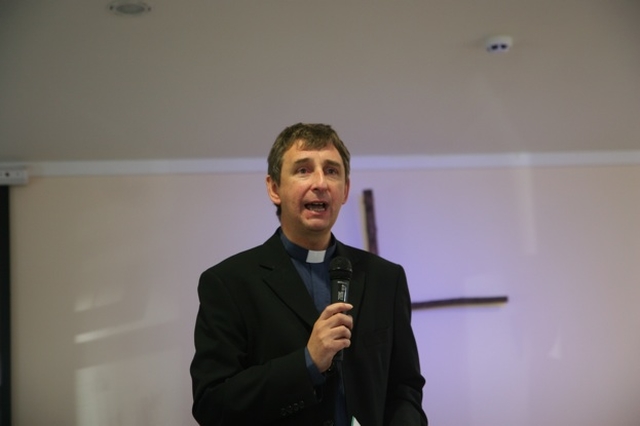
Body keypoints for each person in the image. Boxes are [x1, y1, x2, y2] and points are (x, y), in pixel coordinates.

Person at [190, 123, 427, 425]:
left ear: (345, 190)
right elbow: (213, 404)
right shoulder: (228, 283)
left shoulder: (385, 278)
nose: (320, 182)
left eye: (332, 171)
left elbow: (404, 387)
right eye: (303, 170)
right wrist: (308, 363)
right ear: (274, 188)